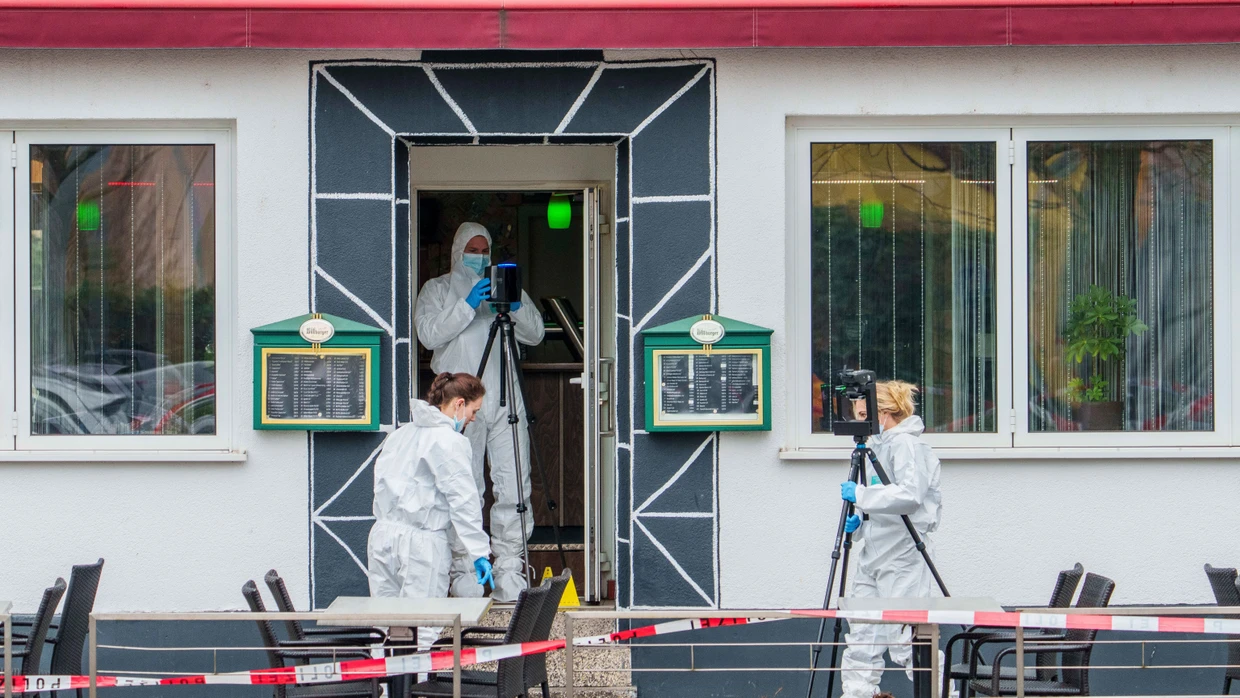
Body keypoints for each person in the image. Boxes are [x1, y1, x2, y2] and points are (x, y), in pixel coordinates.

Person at [414, 221, 546, 602]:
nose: (479, 256)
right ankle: (465, 570)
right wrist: (467, 304)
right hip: (459, 402)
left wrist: (515, 304)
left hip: (505, 399)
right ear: (457, 251)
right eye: (472, 249)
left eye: (485, 249)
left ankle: (510, 569)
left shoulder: (505, 288)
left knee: (514, 484)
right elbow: (428, 334)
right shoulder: (437, 290)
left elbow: (535, 334)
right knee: (463, 484)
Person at [366, 372, 494, 649]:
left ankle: (383, 690)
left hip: (382, 537)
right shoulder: (450, 442)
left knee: (383, 627)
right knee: (423, 629)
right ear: (459, 404)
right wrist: (479, 552)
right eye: (474, 410)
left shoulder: (401, 434)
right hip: (422, 544)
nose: (472, 419)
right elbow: (463, 501)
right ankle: (415, 689)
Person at [838, 380, 948, 698]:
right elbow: (884, 500)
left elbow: (910, 495)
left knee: (905, 639)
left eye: (863, 414)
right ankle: (857, 693)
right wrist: (859, 525)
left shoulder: (907, 445)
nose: (860, 423)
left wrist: (861, 494)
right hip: (875, 552)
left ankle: (941, 694)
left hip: (902, 555)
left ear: (883, 412)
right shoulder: (880, 446)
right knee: (862, 635)